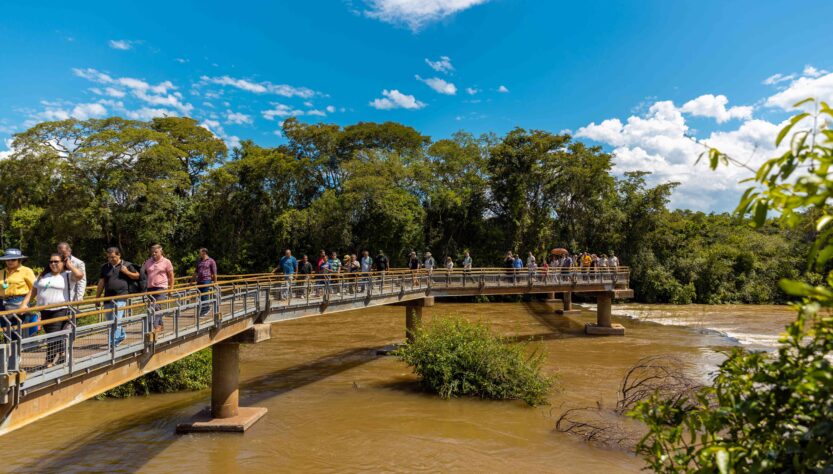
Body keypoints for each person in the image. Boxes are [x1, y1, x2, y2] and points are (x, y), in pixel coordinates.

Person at [22, 253, 83, 366]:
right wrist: (24, 304)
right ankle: (63, 353)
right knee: (54, 335)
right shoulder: (44, 275)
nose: (53, 264)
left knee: (52, 336)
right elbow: (33, 290)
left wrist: (70, 266)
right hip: (44, 310)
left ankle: (48, 362)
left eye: (56, 261)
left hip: (60, 309)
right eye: (51, 262)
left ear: (62, 263)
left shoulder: (68, 275)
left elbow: (80, 275)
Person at [96, 247, 140, 347]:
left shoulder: (127, 265)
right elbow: (101, 282)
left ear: (119, 255)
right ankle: (122, 335)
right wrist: (97, 297)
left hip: (121, 296)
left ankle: (113, 343)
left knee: (116, 319)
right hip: (107, 297)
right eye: (109, 257)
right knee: (110, 320)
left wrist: (127, 272)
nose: (111, 259)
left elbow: (137, 276)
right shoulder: (105, 267)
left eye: (113, 257)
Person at [0, 249, 37, 337]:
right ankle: (9, 349)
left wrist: (25, 303)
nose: (10, 262)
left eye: (13, 259)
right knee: (5, 327)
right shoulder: (1, 272)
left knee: (17, 328)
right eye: (8, 259)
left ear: (19, 260)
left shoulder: (26, 271)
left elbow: (35, 288)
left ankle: (18, 349)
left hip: (18, 301)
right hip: (2, 302)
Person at [143, 244, 175, 332]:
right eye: (152, 252)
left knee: (156, 306)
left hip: (161, 287)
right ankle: (161, 325)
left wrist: (171, 289)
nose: (153, 253)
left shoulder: (166, 262)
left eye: (156, 252)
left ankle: (156, 326)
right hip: (150, 288)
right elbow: (143, 274)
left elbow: (171, 276)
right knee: (155, 307)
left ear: (161, 252)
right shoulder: (148, 262)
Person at [193, 248, 217, 316]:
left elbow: (214, 272)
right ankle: (207, 307)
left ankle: (204, 311)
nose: (199, 254)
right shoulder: (199, 261)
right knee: (200, 295)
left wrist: (215, 282)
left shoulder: (211, 261)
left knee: (204, 295)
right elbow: (196, 272)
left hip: (207, 279)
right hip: (199, 280)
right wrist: (191, 281)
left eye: (200, 252)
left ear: (204, 252)